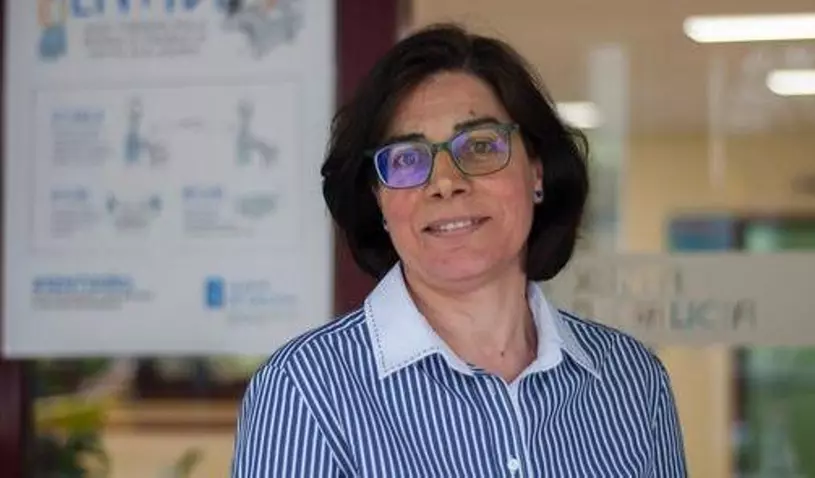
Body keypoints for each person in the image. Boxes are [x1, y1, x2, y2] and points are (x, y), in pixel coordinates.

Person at [231, 23, 688, 477]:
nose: (446, 182)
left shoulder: (633, 382)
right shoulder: (306, 392)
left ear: (536, 171)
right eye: (407, 158)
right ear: (379, 199)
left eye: (481, 146)